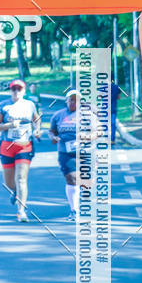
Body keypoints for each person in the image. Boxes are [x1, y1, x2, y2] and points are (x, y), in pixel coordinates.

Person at [0, 78, 42, 222]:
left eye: (19, 89)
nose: (16, 91)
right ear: (10, 91)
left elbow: (37, 119)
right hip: (7, 146)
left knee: (21, 178)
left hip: (24, 146)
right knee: (9, 182)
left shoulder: (30, 105)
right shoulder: (3, 105)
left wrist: (37, 130)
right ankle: (14, 191)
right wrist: (9, 125)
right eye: (13, 89)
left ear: (24, 91)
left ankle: (21, 211)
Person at [49, 89, 100, 220]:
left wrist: (87, 137)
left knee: (88, 182)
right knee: (72, 179)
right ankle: (74, 211)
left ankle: (84, 193)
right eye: (71, 100)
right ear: (66, 101)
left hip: (86, 151)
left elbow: (98, 132)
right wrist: (53, 137)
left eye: (76, 100)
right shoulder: (58, 115)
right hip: (66, 152)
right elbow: (52, 131)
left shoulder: (88, 115)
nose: (73, 102)